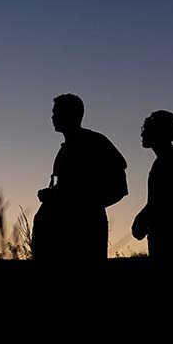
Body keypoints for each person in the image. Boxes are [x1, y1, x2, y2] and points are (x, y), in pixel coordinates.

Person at [34, 94, 127, 261]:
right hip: (58, 231)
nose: (52, 117)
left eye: (56, 112)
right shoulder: (65, 149)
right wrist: (52, 195)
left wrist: (84, 206)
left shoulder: (95, 142)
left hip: (84, 231)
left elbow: (118, 185)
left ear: (71, 115)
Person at [132, 110, 173, 261]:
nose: (142, 134)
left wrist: (141, 219)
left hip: (167, 232)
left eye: (146, 129)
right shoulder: (168, 159)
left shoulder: (168, 162)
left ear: (158, 132)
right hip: (171, 230)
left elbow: (162, 200)